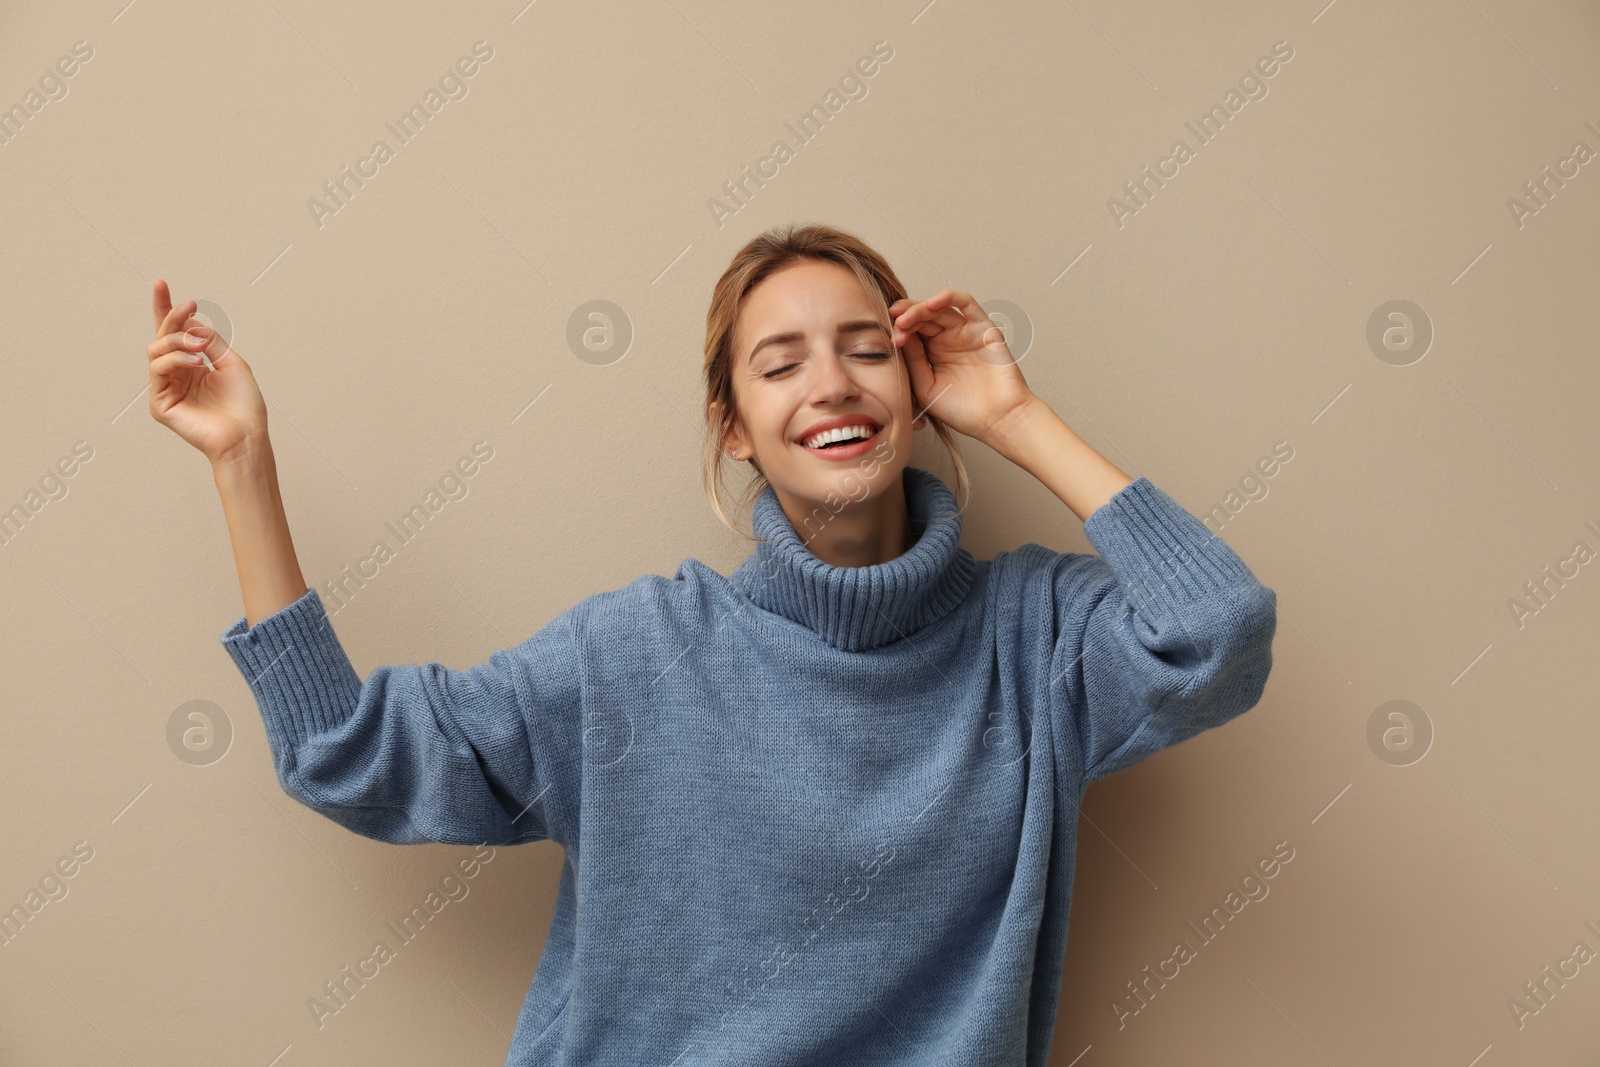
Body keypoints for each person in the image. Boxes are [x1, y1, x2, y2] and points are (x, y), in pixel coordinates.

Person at [146, 222, 1277, 1066]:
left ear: (919, 391)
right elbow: (345, 753)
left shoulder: (1034, 641)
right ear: (733, 427)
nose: (830, 382)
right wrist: (242, 462)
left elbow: (1217, 631)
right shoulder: (635, 652)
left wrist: (1015, 414)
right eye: (780, 363)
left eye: (863, 351)